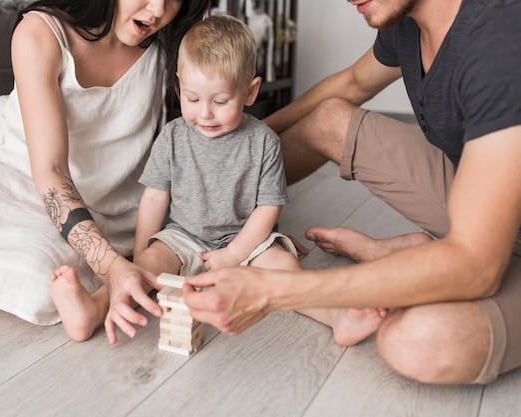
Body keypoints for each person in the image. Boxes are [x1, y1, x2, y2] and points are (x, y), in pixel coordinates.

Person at [182, 0, 521, 385]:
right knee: (328, 119)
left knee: (416, 342)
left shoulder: (502, 33)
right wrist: (237, 145)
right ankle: (218, 223)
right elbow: (351, 84)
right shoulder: (408, 22)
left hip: (492, 247)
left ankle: (430, 257)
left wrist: (275, 290)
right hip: (482, 193)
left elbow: (477, 266)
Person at [54, 14, 386, 348]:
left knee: (284, 265)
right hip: (183, 236)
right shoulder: (172, 137)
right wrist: (142, 256)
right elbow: (155, 198)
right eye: (193, 99)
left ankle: (335, 316)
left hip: (245, 239)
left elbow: (267, 208)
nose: (205, 113)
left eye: (220, 101)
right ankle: (92, 310)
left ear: (250, 91)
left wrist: (236, 253)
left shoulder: (263, 141)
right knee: (146, 266)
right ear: (179, 85)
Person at [0, 0, 210, 340]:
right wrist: (113, 268)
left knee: (39, 289)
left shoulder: (171, 49)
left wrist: (276, 123)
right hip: (5, 175)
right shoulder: (40, 33)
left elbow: (221, 127)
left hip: (97, 205)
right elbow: (50, 169)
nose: (158, 9)